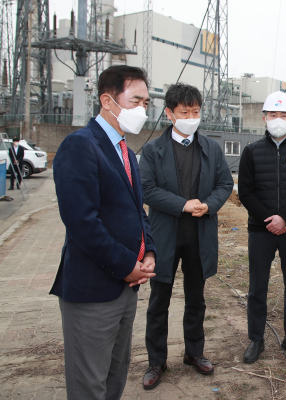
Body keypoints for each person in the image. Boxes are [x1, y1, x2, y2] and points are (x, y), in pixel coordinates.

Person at [50, 65, 157, 399]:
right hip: (94, 289)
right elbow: (82, 222)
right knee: (89, 383)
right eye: (136, 100)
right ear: (108, 101)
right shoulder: (80, 146)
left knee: (114, 376)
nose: (143, 109)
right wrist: (127, 265)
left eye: (146, 102)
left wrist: (149, 251)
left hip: (127, 287)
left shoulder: (124, 149)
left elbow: (137, 211)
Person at [139, 83, 233, 389]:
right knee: (159, 300)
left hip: (199, 234)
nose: (191, 117)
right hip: (165, 235)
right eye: (184, 112)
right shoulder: (153, 150)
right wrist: (183, 204)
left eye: (196, 111)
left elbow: (224, 184)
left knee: (196, 299)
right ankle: (156, 361)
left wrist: (209, 205)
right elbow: (147, 189)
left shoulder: (211, 148)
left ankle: (195, 353)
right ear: (169, 113)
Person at [238, 91, 286, 364]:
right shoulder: (251, 151)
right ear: (264, 118)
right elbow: (245, 192)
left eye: (283, 115)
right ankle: (256, 339)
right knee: (258, 286)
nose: (278, 119)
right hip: (261, 230)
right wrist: (270, 219)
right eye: (273, 114)